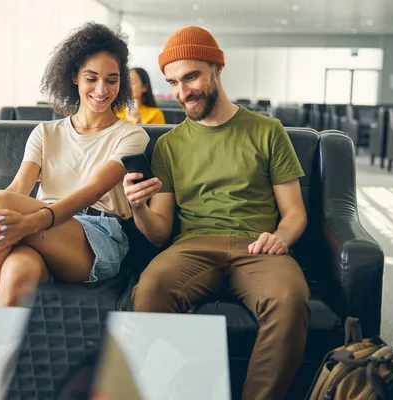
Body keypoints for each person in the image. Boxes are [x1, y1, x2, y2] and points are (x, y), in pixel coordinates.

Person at [122, 26, 310, 400]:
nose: (182, 92)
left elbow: (294, 213)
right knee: (150, 291)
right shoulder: (170, 145)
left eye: (190, 76)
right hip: (193, 246)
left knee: (290, 299)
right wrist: (138, 208)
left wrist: (281, 237)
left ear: (216, 68)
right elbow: (160, 234)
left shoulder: (268, 131)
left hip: (258, 246)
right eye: (172, 82)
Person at [0, 22, 149, 307]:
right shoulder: (45, 132)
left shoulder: (132, 135)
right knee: (17, 270)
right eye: (92, 78)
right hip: (43, 235)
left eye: (112, 80)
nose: (102, 89)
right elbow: (17, 189)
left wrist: (27, 223)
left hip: (97, 237)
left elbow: (93, 191)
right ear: (74, 76)